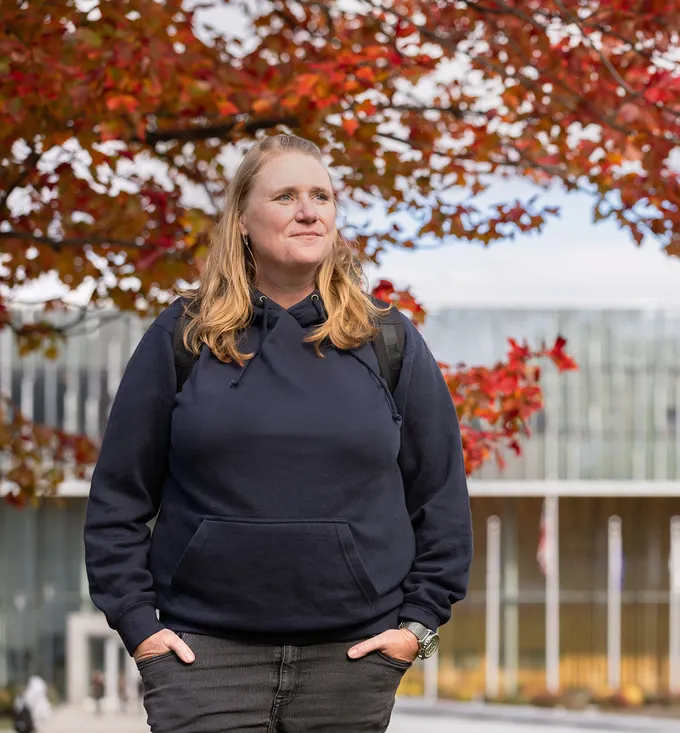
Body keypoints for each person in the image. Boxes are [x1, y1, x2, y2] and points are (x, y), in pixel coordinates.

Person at [83, 133, 474, 732]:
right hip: (203, 662)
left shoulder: (389, 342)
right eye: (286, 196)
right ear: (242, 219)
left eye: (322, 195)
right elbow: (118, 499)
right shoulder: (183, 338)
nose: (309, 210)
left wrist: (416, 628)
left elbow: (441, 500)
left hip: (351, 663)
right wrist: (140, 627)